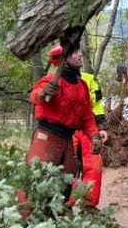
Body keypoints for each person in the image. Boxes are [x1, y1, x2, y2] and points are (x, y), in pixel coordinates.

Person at [26, 44, 107, 207]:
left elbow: (87, 117)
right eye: (74, 53)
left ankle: (58, 214)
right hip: (46, 139)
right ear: (64, 59)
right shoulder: (51, 81)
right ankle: (27, 215)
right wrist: (43, 93)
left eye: (78, 51)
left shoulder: (82, 86)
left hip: (67, 140)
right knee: (37, 178)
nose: (79, 55)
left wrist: (94, 136)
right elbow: (34, 96)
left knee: (67, 177)